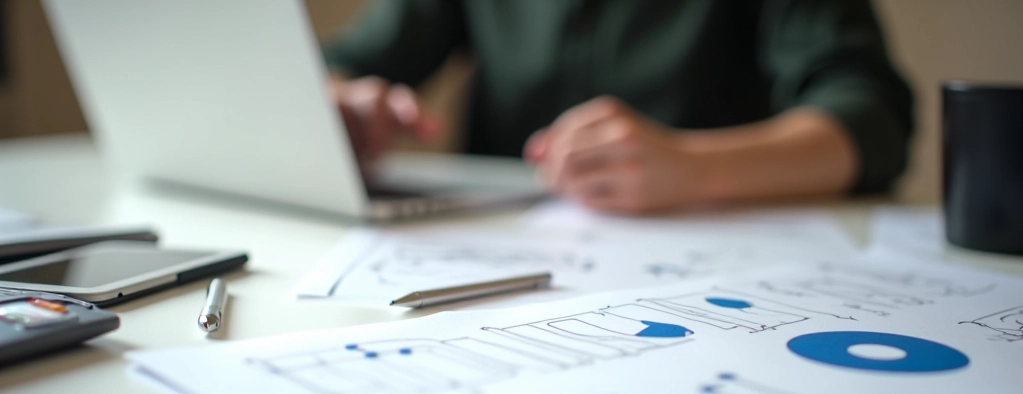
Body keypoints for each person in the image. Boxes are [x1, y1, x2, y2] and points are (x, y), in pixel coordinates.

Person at [324, 0, 913, 214]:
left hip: (707, 262)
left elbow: (869, 113)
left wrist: (696, 167)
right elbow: (348, 63)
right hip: (479, 267)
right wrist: (342, 104)